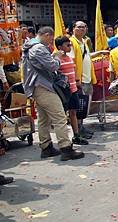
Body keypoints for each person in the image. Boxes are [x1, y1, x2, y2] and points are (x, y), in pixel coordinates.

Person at [22, 27, 85, 160]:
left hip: (37, 86)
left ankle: (46, 147)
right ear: (46, 35)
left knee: (44, 119)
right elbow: (52, 66)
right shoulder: (38, 48)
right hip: (43, 87)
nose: (51, 42)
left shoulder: (30, 47)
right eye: (50, 39)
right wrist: (56, 58)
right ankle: (66, 148)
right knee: (60, 117)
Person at [70, 21, 105, 139]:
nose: (82, 29)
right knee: (79, 106)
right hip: (79, 80)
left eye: (84, 27)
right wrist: (76, 79)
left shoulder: (84, 42)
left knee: (84, 105)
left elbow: (86, 57)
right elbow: (72, 62)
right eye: (79, 27)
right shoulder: (71, 42)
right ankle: (78, 130)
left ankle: (81, 126)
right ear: (73, 28)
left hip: (87, 78)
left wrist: (99, 53)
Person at [55, 36, 87, 145]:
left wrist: (77, 82)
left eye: (70, 44)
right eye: (67, 45)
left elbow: (73, 72)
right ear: (60, 47)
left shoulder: (69, 57)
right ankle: (64, 139)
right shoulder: (55, 59)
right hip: (63, 92)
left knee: (73, 112)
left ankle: (76, 135)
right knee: (62, 115)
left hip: (73, 90)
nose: (70, 46)